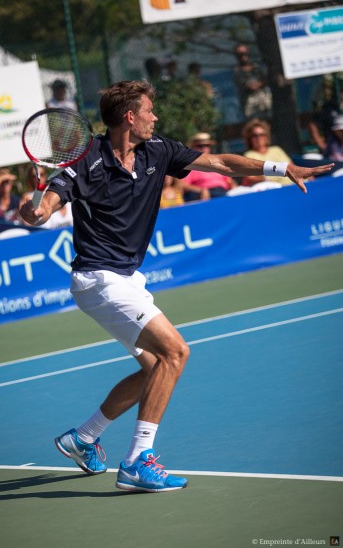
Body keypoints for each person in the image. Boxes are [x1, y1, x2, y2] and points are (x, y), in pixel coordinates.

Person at [19, 79, 333, 494]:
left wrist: (281, 168)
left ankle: (84, 436)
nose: (155, 116)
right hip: (99, 279)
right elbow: (44, 210)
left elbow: (220, 163)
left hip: (128, 278)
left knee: (154, 368)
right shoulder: (84, 160)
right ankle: (137, 462)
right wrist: (34, 209)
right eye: (149, 110)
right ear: (130, 116)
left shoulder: (158, 150)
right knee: (176, 352)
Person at [181, 133, 236, 201]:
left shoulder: (217, 163)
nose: (204, 148)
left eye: (207, 145)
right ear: (193, 147)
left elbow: (229, 181)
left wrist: (234, 187)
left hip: (224, 192)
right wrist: (201, 190)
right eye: (200, 146)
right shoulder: (190, 165)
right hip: (207, 195)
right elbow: (183, 186)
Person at [241, 119, 294, 187]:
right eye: (255, 135)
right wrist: (265, 180)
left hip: (291, 183)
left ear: (267, 136)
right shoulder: (249, 155)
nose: (259, 138)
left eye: (262, 134)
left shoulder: (277, 150)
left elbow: (292, 167)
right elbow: (250, 178)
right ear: (249, 139)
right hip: (271, 188)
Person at [234, 44, 272, 121]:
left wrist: (260, 83)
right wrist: (258, 84)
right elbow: (247, 85)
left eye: (245, 53)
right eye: (240, 54)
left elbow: (266, 79)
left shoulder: (257, 67)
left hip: (265, 102)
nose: (243, 56)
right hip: (250, 106)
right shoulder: (237, 72)